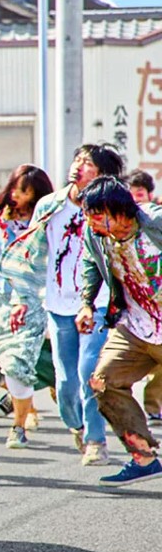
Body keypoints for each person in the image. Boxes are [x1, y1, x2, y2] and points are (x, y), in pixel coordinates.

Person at [2, 143, 123, 466]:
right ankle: (77, 424)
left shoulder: (107, 207)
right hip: (57, 305)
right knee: (66, 381)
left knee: (88, 371)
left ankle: (97, 441)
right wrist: (21, 300)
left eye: (88, 164)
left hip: (96, 303)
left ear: (101, 176)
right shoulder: (49, 206)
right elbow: (31, 257)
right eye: (78, 160)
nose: (78, 167)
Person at [77, 176, 162, 486]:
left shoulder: (154, 222)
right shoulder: (95, 235)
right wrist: (87, 303)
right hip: (135, 328)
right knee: (103, 382)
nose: (92, 223)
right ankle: (143, 456)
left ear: (119, 210)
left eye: (98, 216)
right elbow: (91, 263)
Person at [0, 164, 54, 449]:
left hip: (29, 299)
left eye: (27, 194)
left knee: (16, 365)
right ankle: (22, 400)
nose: (19, 197)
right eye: (18, 189)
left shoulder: (45, 220)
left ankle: (18, 427)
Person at [126, 169, 162, 425]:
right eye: (133, 197)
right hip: (131, 303)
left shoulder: (157, 220)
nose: (137, 203)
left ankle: (152, 404)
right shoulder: (120, 223)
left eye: (141, 196)